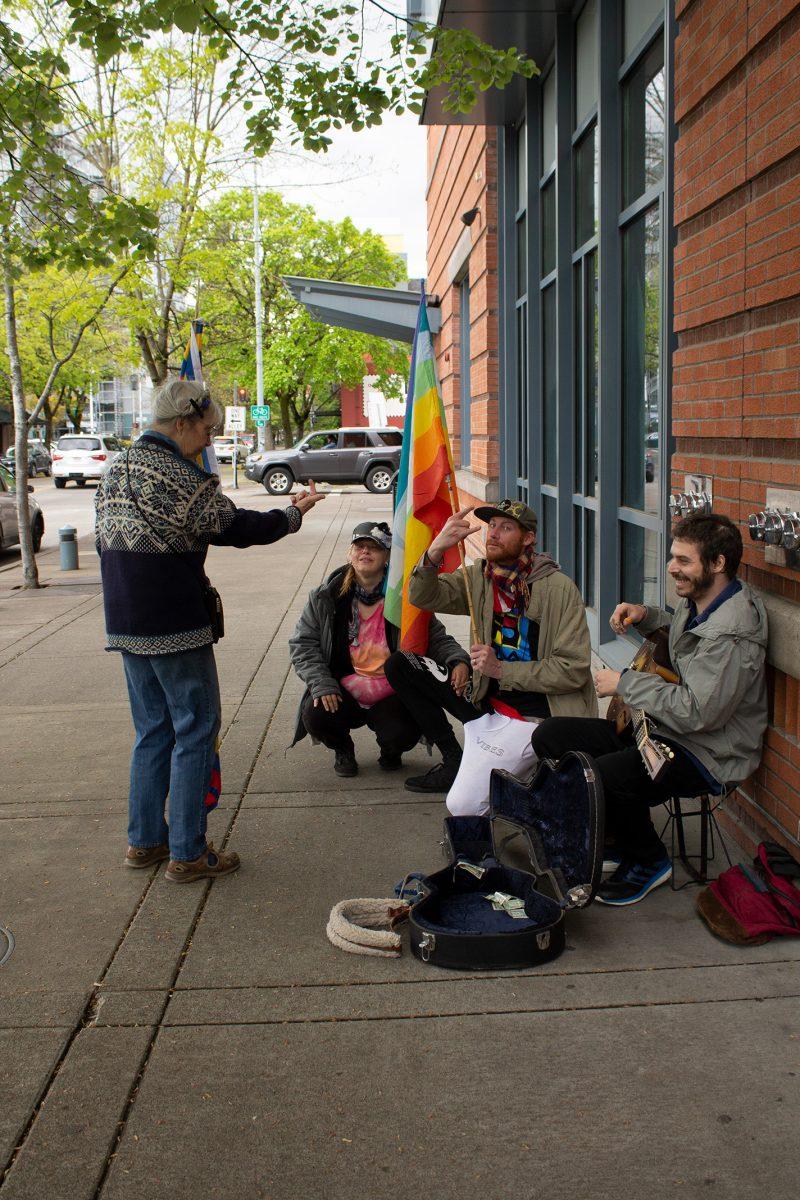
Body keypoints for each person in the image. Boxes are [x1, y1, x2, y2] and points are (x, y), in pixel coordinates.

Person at [95, 378, 325, 883]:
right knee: (195, 729)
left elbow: (104, 540)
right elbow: (237, 527)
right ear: (182, 424)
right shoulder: (182, 475)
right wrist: (292, 514)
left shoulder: (117, 469)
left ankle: (144, 842)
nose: (210, 440)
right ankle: (189, 852)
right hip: (174, 620)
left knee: (152, 731)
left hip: (124, 617)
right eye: (206, 429)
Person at [531, 512, 768, 906]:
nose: (672, 568)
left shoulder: (733, 634)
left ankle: (648, 860)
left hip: (711, 753)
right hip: (667, 729)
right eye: (672, 557)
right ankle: (621, 837)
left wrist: (625, 682)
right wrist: (647, 615)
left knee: (606, 775)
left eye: (683, 561)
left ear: (718, 563)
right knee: (552, 736)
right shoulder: (704, 600)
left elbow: (699, 712)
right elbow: (685, 633)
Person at [383, 498, 597, 793]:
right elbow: (423, 596)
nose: (493, 534)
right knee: (401, 664)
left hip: (540, 714)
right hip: (483, 702)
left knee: (469, 804)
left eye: (506, 527)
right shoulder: (480, 577)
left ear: (528, 538)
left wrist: (501, 670)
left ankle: (528, 766)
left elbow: (572, 670)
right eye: (491, 526)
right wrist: (436, 549)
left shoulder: (559, 589)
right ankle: (453, 759)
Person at [289, 521, 470, 776]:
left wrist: (456, 659)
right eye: (359, 546)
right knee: (317, 714)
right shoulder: (325, 597)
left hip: (390, 690)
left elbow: (437, 638)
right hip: (343, 688)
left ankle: (391, 750)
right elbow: (302, 644)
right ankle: (343, 748)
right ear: (349, 554)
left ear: (386, 557)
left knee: (405, 730)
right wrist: (321, 682)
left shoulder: (404, 598)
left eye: (373, 548)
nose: (365, 552)